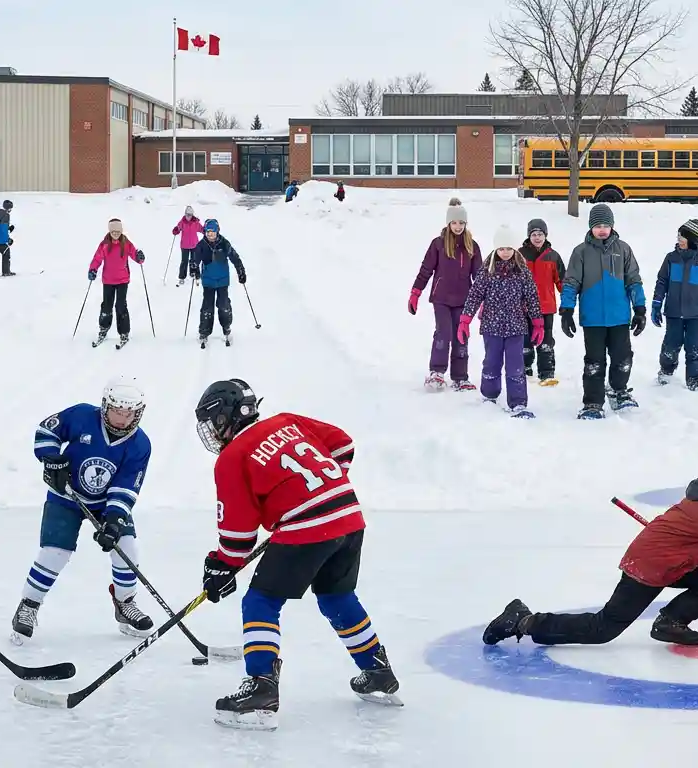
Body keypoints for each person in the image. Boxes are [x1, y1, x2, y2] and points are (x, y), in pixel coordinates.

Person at [194, 379, 400, 731]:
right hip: (348, 518)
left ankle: (261, 688)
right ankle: (378, 672)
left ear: (226, 416)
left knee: (260, 601)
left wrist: (222, 566)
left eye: (213, 422)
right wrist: (321, 488)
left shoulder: (233, 457)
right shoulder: (288, 421)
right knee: (337, 596)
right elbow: (342, 444)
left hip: (308, 528)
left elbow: (239, 536)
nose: (213, 432)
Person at [483, 446, 698, 648]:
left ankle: (670, 622)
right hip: (650, 565)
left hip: (673, 561)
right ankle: (524, 621)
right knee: (604, 629)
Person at [11, 377, 155, 643]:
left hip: (105, 504)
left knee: (126, 549)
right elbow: (47, 430)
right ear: (105, 406)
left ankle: (125, 603)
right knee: (55, 552)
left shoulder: (140, 444)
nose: (122, 419)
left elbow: (125, 486)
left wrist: (113, 520)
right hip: (65, 495)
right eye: (116, 411)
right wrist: (51, 459)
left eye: (129, 414)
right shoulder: (81, 416)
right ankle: (29, 605)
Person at [559, 202, 646, 418]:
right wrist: (567, 310)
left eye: (606, 225)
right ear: (590, 227)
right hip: (593, 319)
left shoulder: (623, 249)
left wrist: (640, 308)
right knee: (594, 362)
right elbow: (571, 282)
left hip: (619, 317)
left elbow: (633, 280)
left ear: (612, 226)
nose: (601, 229)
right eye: (597, 225)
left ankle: (619, 391)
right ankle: (593, 402)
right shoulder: (580, 252)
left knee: (622, 357)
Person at [458, 224, 543, 418]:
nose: (505, 253)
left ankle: (518, 402)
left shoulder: (522, 272)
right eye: (502, 248)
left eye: (509, 248)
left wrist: (538, 322)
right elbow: (474, 295)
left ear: (515, 249)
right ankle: (489, 396)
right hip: (491, 327)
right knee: (492, 363)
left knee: (516, 366)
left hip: (515, 328)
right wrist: (465, 320)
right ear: (496, 249)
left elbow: (532, 297)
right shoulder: (487, 271)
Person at [410, 198, 482, 392]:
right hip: (441, 298)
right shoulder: (438, 244)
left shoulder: (472, 246)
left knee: (461, 336)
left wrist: (484, 301)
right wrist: (416, 292)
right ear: (448, 223)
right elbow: (426, 270)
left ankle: (460, 377)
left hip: (464, 299)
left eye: (461, 223)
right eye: (454, 223)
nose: (458, 226)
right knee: (444, 332)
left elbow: (480, 276)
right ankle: (437, 371)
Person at [652, 218, 698, 391]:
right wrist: (656, 303)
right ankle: (666, 371)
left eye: (682, 236)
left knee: (694, 346)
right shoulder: (671, 259)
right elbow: (662, 281)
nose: (679, 239)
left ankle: (695, 378)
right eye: (678, 236)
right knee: (671, 343)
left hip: (695, 314)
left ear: (692, 239)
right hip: (674, 312)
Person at [518, 218, 565, 385]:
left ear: (545, 235)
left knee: (546, 340)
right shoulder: (520, 255)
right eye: (534, 234)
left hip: (546, 307)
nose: (537, 237)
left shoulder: (553, 256)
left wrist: (567, 301)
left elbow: (561, 281)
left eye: (540, 234)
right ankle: (524, 367)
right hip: (524, 307)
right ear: (529, 236)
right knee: (525, 339)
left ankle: (546, 371)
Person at [88, 218, 146, 347]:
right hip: (108, 280)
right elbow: (97, 258)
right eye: (113, 231)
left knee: (120, 306)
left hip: (122, 280)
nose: (115, 233)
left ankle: (124, 332)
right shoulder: (104, 244)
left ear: (121, 231)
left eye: (118, 231)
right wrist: (93, 269)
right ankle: (103, 329)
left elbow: (134, 254)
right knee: (106, 306)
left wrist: (139, 257)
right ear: (109, 231)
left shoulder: (125, 243)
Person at [191, 219, 246, 347]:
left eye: (212, 232)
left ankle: (226, 327)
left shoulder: (224, 243)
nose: (210, 234)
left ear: (217, 232)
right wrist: (194, 268)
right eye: (207, 232)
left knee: (224, 306)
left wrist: (241, 271)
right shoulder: (202, 245)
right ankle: (204, 332)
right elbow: (194, 259)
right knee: (207, 308)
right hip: (208, 282)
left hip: (222, 281)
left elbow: (235, 258)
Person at [172, 206, 204, 286]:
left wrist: (207, 231)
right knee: (184, 261)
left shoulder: (195, 222)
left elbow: (201, 229)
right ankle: (182, 277)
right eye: (187, 215)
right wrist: (176, 230)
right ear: (185, 214)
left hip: (194, 245)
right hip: (184, 246)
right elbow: (178, 228)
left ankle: (194, 274)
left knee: (194, 261)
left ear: (192, 215)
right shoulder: (182, 222)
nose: (188, 217)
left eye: (190, 215)